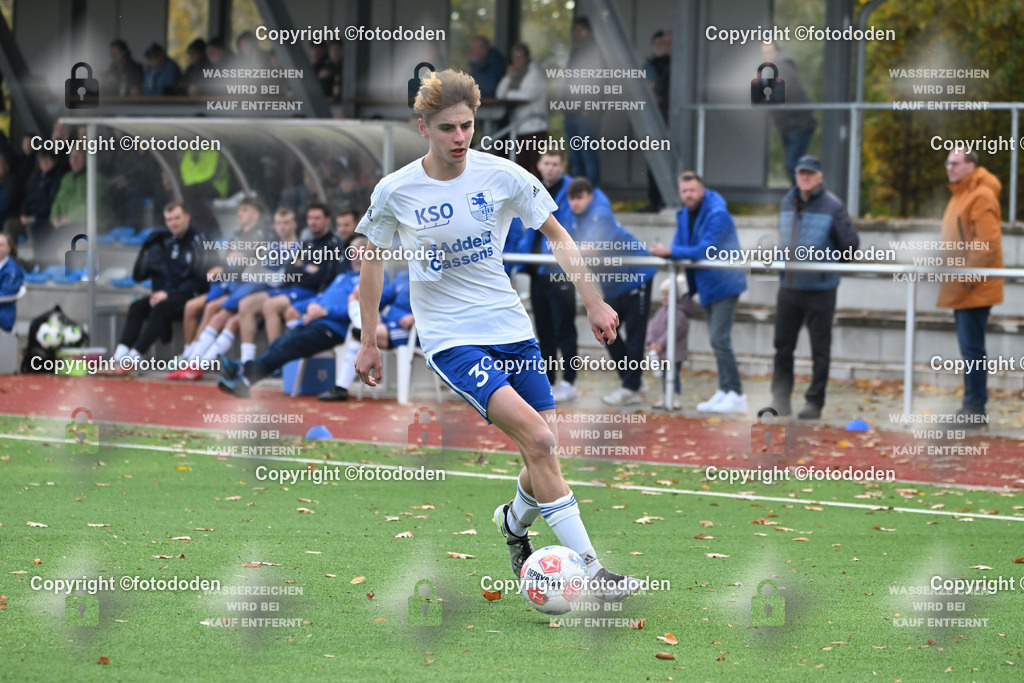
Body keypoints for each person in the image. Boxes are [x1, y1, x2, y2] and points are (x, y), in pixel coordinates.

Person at [354, 68, 640, 601]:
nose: (459, 137)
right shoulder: (395, 190)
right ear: (423, 128)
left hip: (510, 327)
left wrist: (594, 300)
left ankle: (513, 522)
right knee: (541, 440)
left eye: (466, 126)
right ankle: (594, 572)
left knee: (543, 450)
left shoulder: (504, 175)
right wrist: (369, 340)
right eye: (447, 128)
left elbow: (558, 236)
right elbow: (370, 260)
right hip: (451, 339)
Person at [218, 233, 367, 397]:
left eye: (361, 254)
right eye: (354, 253)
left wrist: (325, 312)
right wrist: (302, 307)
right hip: (313, 322)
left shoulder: (368, 281)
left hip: (333, 329)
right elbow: (321, 298)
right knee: (279, 343)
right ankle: (244, 377)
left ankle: (242, 372)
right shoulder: (341, 277)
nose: (356, 258)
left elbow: (363, 312)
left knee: (288, 345)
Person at [514, 150, 609, 402]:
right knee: (543, 331)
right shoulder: (532, 187)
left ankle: (569, 381)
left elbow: (600, 208)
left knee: (564, 328)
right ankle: (548, 381)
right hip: (536, 270)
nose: (551, 168)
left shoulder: (574, 189)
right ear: (539, 165)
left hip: (561, 271)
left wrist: (589, 241)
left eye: (555, 164)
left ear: (562, 166)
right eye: (547, 163)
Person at [650, 171, 748, 413]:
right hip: (707, 285)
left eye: (692, 190)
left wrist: (669, 251)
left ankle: (736, 393)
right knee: (717, 340)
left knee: (719, 339)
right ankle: (725, 390)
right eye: (684, 191)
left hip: (725, 283)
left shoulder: (717, 214)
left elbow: (705, 249)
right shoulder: (684, 214)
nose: (688, 195)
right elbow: (680, 244)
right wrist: (670, 251)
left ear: (702, 190)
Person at [770, 156, 859, 420]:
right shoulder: (787, 201)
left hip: (820, 290)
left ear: (819, 177)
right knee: (782, 347)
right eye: (801, 173)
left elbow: (850, 245)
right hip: (789, 287)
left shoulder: (833, 206)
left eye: (810, 174)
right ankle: (780, 400)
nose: (805, 178)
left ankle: (814, 403)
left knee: (820, 350)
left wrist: (825, 266)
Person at [568, 178, 657, 406]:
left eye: (579, 198)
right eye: (571, 199)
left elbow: (589, 250)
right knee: (605, 329)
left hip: (636, 276)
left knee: (635, 336)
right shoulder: (576, 218)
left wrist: (565, 251)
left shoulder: (601, 214)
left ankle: (630, 387)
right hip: (614, 284)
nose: (575, 203)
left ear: (590, 197)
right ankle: (633, 380)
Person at [938, 149, 1003, 425]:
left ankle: (975, 409)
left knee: (972, 350)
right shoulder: (960, 194)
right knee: (970, 350)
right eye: (948, 163)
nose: (949, 167)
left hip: (973, 287)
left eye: (955, 163)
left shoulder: (981, 195)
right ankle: (972, 407)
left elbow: (987, 243)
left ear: (970, 165)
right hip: (963, 285)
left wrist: (966, 279)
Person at [235, 202, 345, 364]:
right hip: (292, 288)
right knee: (245, 304)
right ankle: (246, 362)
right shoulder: (307, 243)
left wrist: (302, 268)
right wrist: (306, 268)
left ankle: (274, 360)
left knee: (270, 306)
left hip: (311, 292)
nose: (313, 222)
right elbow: (289, 269)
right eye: (310, 218)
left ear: (327, 220)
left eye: (317, 218)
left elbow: (323, 276)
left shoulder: (333, 244)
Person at [112, 203, 207, 364]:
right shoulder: (168, 241)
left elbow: (199, 279)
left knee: (161, 307)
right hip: (171, 294)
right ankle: (119, 355)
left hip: (194, 294)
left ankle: (134, 357)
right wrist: (160, 293)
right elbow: (161, 274)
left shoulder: (198, 240)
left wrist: (168, 294)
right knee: (137, 307)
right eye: (169, 220)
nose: (173, 223)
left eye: (177, 218)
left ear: (187, 218)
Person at [760, 42, 817, 185]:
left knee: (793, 166)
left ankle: (807, 195)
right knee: (794, 166)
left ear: (777, 52)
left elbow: (777, 96)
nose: (766, 56)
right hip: (791, 126)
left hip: (799, 124)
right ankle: (801, 195)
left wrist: (759, 97)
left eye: (769, 52)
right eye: (763, 53)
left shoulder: (782, 68)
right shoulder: (774, 69)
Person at [495, 43, 548, 175]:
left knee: (539, 168)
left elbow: (527, 95)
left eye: (520, 57)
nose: (516, 61)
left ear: (527, 57)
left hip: (534, 127)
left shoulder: (535, 74)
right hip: (519, 127)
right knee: (522, 168)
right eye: (514, 58)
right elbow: (499, 94)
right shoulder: (515, 75)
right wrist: (508, 77)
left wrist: (508, 94)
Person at [563, 17, 604, 186]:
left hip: (587, 113)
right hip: (571, 111)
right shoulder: (575, 52)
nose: (577, 33)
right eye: (575, 30)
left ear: (588, 31)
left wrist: (590, 107)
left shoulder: (595, 52)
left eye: (580, 29)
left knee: (587, 153)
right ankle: (577, 193)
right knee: (575, 155)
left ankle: (591, 192)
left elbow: (600, 81)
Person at [646, 275, 695, 410]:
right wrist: (651, 341)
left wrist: (660, 343)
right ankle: (664, 396)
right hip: (661, 352)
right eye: (663, 294)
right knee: (663, 376)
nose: (664, 297)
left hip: (674, 353)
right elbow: (652, 327)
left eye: (667, 294)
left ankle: (676, 397)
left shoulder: (679, 313)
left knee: (673, 375)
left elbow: (674, 330)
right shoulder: (661, 311)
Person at [642, 31, 671, 212]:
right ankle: (655, 201)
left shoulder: (676, 66)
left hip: (672, 121)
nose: (660, 47)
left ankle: (667, 199)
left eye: (663, 43)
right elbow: (649, 93)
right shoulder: (649, 67)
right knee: (654, 161)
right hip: (654, 121)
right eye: (657, 43)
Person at [0, 233, 25, 334]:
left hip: (3, 314)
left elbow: (6, 293)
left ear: (9, 248)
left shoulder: (12, 270)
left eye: (1, 245)